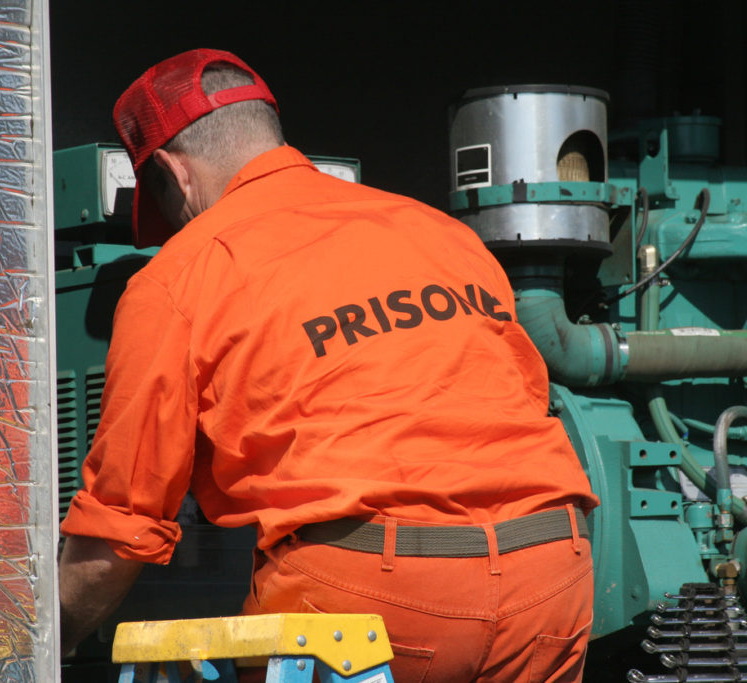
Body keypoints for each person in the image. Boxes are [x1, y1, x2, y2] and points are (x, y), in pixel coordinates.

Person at [58, 48, 598, 682]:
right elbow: (522, 396)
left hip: (371, 604)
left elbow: (123, 520)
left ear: (174, 176)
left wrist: (49, 643)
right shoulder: (443, 233)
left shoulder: (181, 272)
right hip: (552, 577)